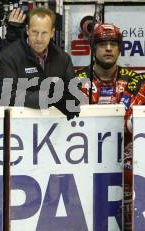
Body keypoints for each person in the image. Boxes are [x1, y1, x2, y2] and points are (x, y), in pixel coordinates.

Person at [75, 23, 141, 231]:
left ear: (120, 48)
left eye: (114, 43)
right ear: (93, 48)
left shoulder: (137, 83)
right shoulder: (75, 83)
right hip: (84, 162)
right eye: (103, 43)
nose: (109, 48)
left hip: (126, 166)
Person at [0, 7, 81, 120]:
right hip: (18, 128)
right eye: (35, 32)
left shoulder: (63, 58)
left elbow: (74, 91)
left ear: (52, 33)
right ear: (27, 30)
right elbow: (8, 96)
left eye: (44, 33)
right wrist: (49, 97)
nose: (39, 39)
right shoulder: (8, 56)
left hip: (54, 129)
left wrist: (70, 100)